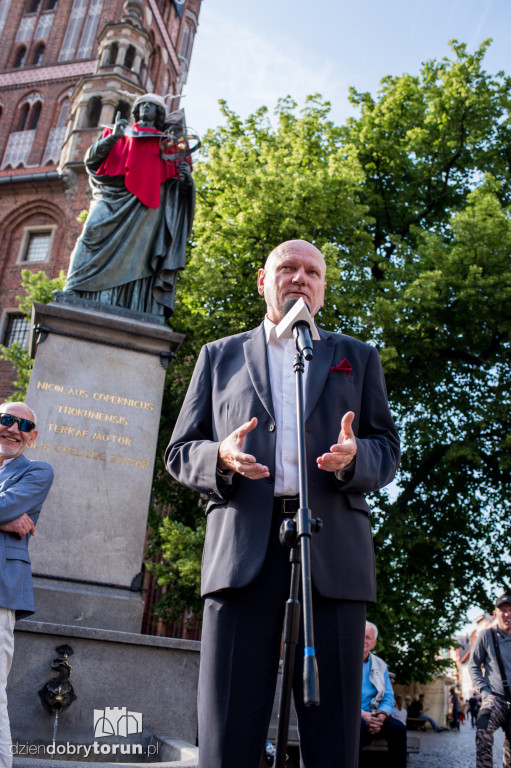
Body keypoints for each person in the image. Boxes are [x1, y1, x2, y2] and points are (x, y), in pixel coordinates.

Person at [166, 240, 400, 768]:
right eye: (287, 268)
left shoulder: (356, 358)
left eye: (312, 271)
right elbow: (180, 452)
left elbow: (386, 451)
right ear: (262, 279)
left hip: (332, 550)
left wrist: (353, 456)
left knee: (334, 734)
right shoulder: (220, 355)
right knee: (228, 726)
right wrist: (221, 458)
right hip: (242, 550)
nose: (300, 278)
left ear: (322, 286)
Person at [63, 93, 195, 319]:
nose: (144, 108)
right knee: (90, 235)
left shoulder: (169, 144)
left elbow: (179, 189)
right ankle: (75, 288)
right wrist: (113, 138)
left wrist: (185, 180)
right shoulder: (116, 133)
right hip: (112, 196)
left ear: (160, 113)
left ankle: (134, 303)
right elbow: (91, 161)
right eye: (141, 105)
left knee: (140, 257)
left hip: (148, 208)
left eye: (151, 106)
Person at [0, 402, 54, 768]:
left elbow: (8, 507)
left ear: (32, 436)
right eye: (6, 419)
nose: (13, 428)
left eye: (23, 424)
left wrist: (5, 514)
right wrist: (4, 520)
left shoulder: (37, 471)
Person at [469, 594, 511, 768]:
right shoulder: (487, 636)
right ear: (495, 613)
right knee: (483, 732)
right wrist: (484, 691)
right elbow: (473, 666)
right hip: (495, 698)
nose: (508, 614)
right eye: (503, 611)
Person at [360, 622, 407, 768]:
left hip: (376, 715)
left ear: (374, 643)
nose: (364, 641)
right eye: (361, 636)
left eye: (368, 638)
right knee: (358, 728)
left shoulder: (380, 665)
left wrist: (382, 715)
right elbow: (339, 698)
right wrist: (362, 715)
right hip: (353, 716)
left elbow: (388, 697)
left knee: (398, 729)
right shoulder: (344, 661)